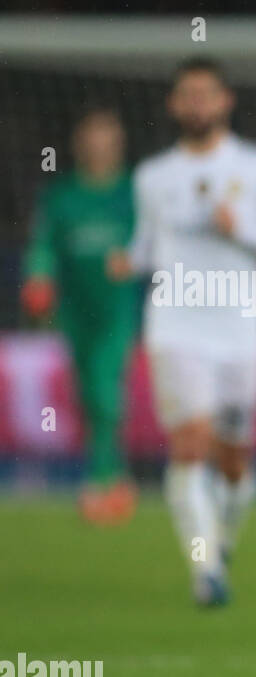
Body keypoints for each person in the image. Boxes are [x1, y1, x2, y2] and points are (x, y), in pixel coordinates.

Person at [112, 57, 256, 606]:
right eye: (187, 95)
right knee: (190, 442)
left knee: (233, 458)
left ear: (225, 101)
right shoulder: (152, 176)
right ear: (175, 105)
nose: (197, 104)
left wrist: (242, 227)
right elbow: (146, 247)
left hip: (240, 328)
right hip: (175, 324)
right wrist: (125, 261)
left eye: (207, 94)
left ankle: (218, 541)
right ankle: (205, 571)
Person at [21, 108, 137, 524]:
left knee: (106, 387)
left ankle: (104, 481)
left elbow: (155, 244)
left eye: (106, 135)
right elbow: (43, 245)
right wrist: (38, 278)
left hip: (118, 309)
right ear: (79, 143)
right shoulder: (62, 196)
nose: (98, 143)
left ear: (118, 141)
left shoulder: (133, 193)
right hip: (74, 311)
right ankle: (113, 475)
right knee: (88, 393)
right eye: (91, 135)